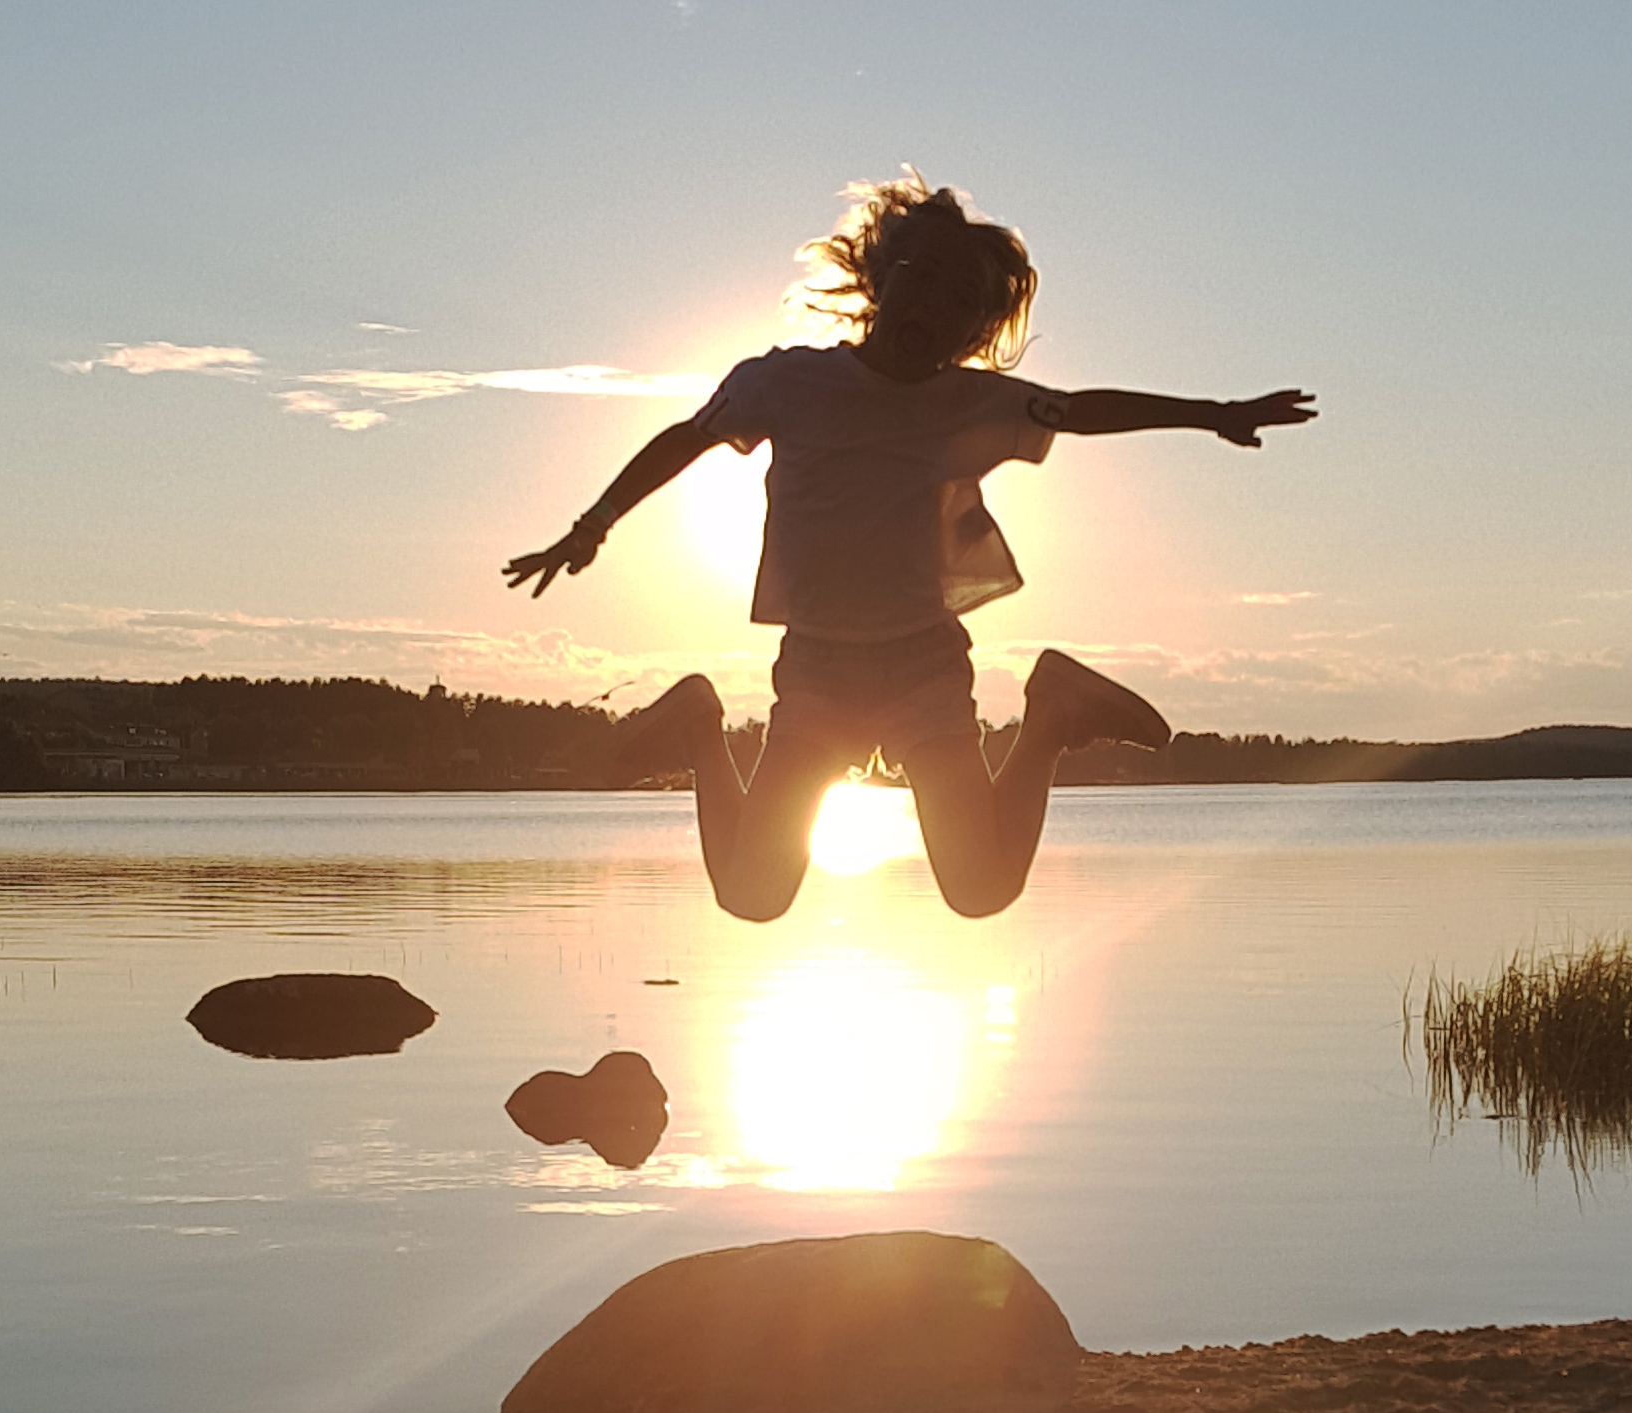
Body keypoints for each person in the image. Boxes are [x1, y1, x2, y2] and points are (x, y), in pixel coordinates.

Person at [504, 174, 1315, 921]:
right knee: (753, 896)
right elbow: (685, 440)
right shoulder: (785, 383)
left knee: (982, 890)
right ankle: (695, 724)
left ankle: (1052, 712)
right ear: (881, 280)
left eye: (960, 300)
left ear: (975, 327)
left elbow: (1081, 409)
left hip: (922, 667)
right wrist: (593, 523)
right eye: (919, 278)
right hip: (818, 671)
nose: (932, 305)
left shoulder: (970, 403)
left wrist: (1214, 412)